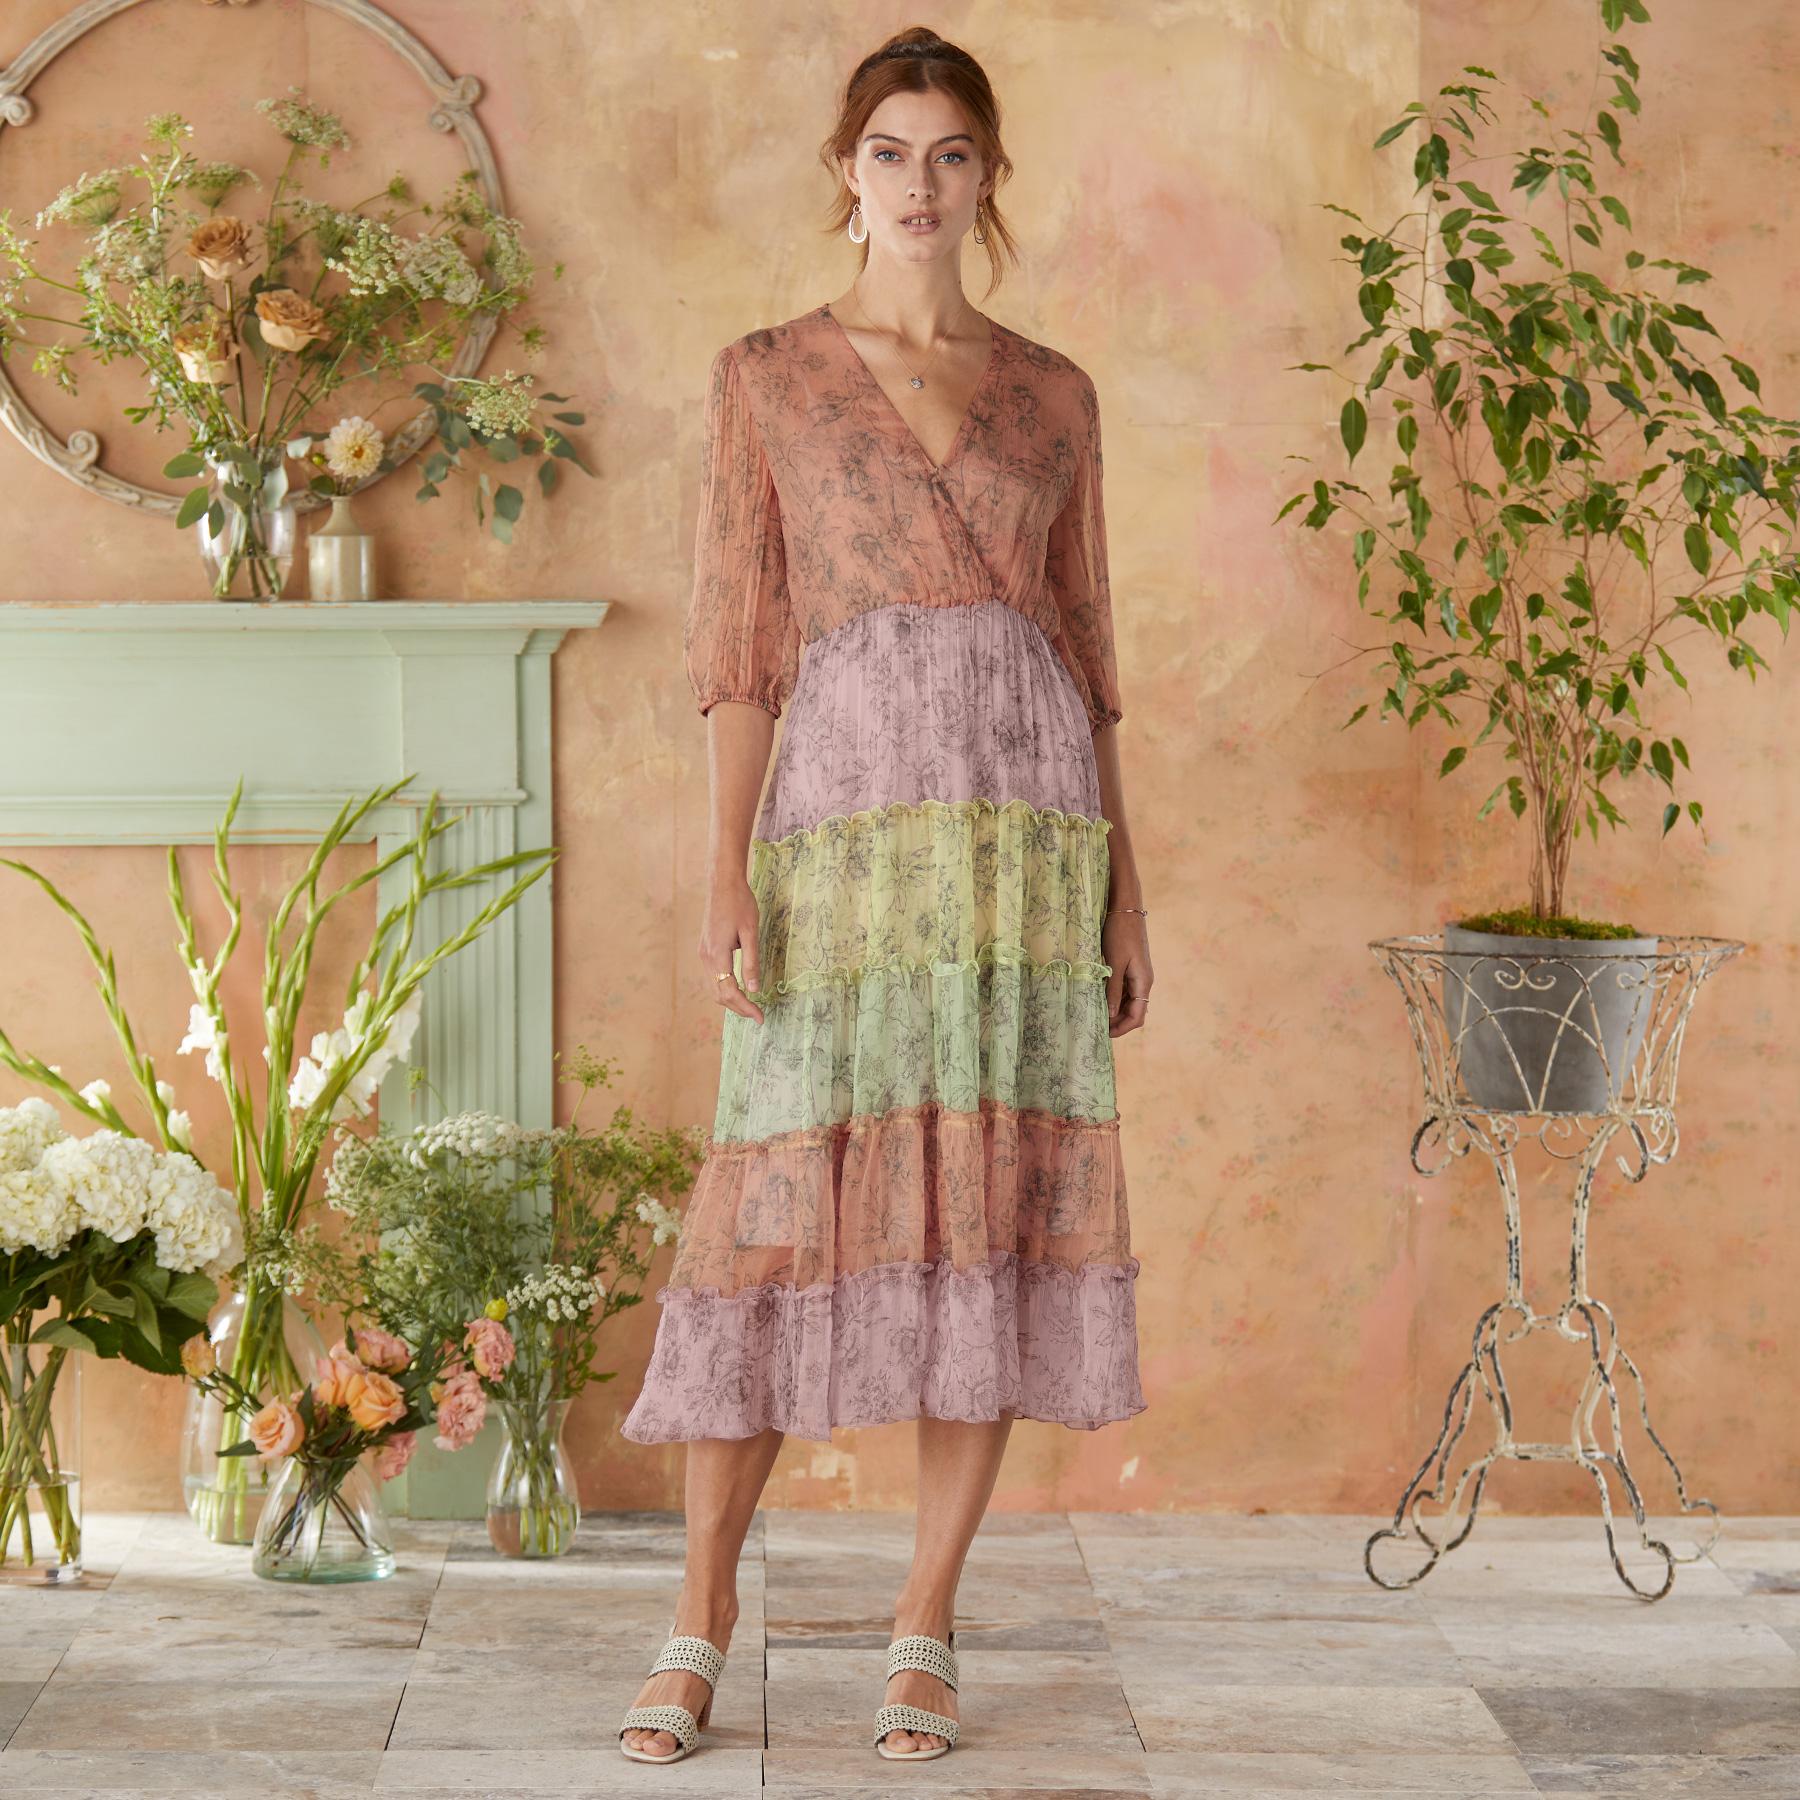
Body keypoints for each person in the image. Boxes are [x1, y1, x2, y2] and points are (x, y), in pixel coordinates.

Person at [617, 23, 1153, 1767]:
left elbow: (1089, 654)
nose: (922, 184)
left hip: (1024, 846)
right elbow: (740, 647)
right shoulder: (768, 376)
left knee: (986, 1214)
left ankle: (927, 1618)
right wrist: (726, 870)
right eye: (891, 153)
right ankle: (701, 1611)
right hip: (838, 840)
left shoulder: (1056, 393)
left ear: (990, 178)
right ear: (846, 175)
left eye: (953, 154)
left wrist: (1124, 890)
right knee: (774, 1217)